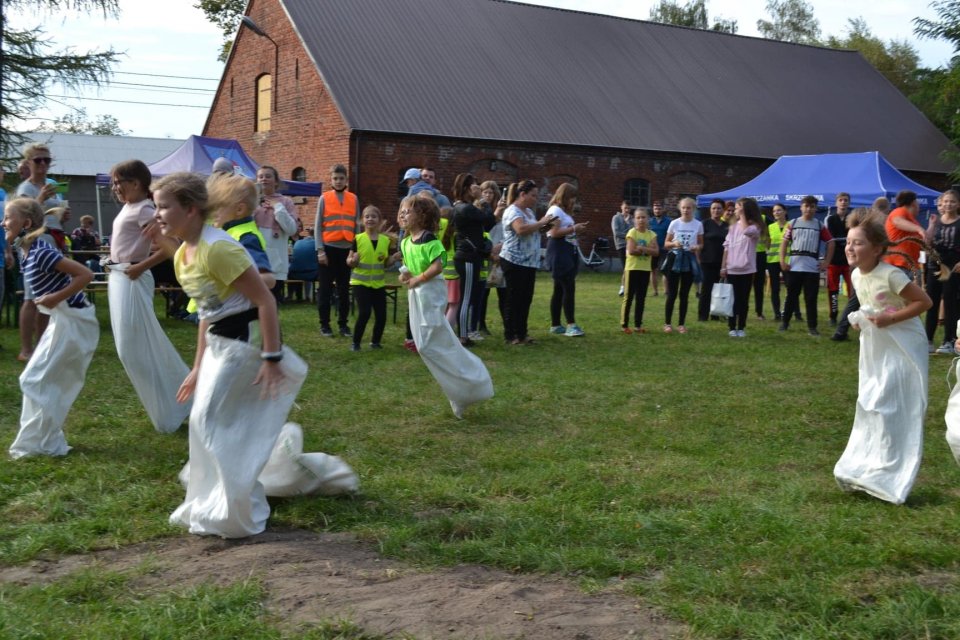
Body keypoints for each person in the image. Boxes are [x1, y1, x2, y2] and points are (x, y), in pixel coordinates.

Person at [154, 172, 357, 538]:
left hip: (241, 345)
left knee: (212, 422)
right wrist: (197, 366)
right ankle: (218, 495)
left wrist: (270, 356)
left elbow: (265, 300)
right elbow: (206, 312)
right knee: (205, 423)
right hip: (218, 345)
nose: (158, 215)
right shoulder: (185, 253)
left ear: (189, 209)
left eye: (163, 207)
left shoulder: (220, 248)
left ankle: (239, 506)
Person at [833, 209, 931, 505]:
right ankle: (870, 465)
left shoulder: (891, 274)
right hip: (875, 344)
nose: (851, 248)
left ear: (877, 249)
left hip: (902, 343)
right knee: (872, 402)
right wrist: (860, 318)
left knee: (892, 404)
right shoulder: (854, 274)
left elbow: (923, 302)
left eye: (858, 243)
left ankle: (892, 472)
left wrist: (892, 319)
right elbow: (869, 305)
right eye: (849, 242)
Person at [5, 197, 97, 459]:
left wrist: (56, 297)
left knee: (38, 380)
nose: (3, 222)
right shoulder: (27, 252)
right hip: (62, 319)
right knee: (32, 379)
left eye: (7, 217)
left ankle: (44, 441)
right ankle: (42, 439)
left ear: (26, 223)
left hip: (76, 321)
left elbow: (86, 275)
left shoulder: (42, 251)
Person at [107, 159, 193, 433]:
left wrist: (140, 267)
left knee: (136, 348)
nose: (115, 188)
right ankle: (176, 403)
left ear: (135, 183)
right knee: (132, 349)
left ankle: (183, 399)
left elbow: (171, 246)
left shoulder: (144, 208)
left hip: (131, 278)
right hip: (119, 277)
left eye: (119, 182)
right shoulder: (129, 208)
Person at [399, 194, 493, 418]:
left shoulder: (428, 239)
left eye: (408, 211)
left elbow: (437, 267)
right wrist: (407, 277)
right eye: (401, 210)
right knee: (426, 346)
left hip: (430, 293)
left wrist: (417, 279)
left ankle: (471, 379)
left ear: (422, 216)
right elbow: (411, 267)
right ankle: (458, 392)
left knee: (432, 343)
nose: (402, 214)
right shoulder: (404, 242)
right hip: (416, 293)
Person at [15, 143, 62, 363]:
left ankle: (42, 344)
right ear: (28, 163)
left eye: (47, 160)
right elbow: (21, 217)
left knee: (45, 298)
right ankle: (26, 349)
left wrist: (62, 214)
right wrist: (41, 199)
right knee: (30, 298)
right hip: (34, 244)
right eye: (38, 160)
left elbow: (51, 217)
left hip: (52, 242)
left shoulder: (51, 186)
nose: (43, 164)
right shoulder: (27, 189)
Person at [500, 180, 555, 345]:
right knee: (513, 298)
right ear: (522, 194)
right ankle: (511, 335)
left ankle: (522, 333)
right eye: (533, 195)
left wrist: (547, 225)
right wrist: (541, 222)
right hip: (514, 260)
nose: (535, 199)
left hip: (529, 262)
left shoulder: (529, 212)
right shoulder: (512, 211)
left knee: (526, 299)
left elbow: (534, 229)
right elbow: (521, 229)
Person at [315, 164, 360, 337]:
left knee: (343, 290)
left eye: (341, 178)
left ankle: (343, 324)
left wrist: (354, 250)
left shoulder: (353, 199)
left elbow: (357, 225)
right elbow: (318, 226)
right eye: (335, 178)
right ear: (331, 180)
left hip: (346, 250)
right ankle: (324, 324)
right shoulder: (324, 198)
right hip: (328, 249)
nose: (338, 181)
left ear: (346, 179)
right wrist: (320, 250)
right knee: (325, 289)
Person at [779, 195, 833, 336]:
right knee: (791, 296)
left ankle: (812, 327)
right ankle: (785, 322)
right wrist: (782, 261)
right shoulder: (793, 223)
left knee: (811, 298)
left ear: (815, 209)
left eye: (812, 206)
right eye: (806, 206)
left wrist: (826, 261)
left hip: (812, 268)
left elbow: (831, 242)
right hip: (795, 267)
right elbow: (784, 242)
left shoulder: (819, 225)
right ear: (801, 207)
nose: (809, 209)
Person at [451, 173, 495, 345]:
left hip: (470, 256)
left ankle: (463, 334)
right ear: (467, 189)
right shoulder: (465, 208)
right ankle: (463, 336)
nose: (477, 189)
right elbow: (489, 219)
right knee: (466, 298)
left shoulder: (464, 207)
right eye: (474, 186)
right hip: (467, 257)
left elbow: (487, 223)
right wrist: (483, 200)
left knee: (467, 296)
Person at [347, 205, 394, 350]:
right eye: (367, 216)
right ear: (362, 221)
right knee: (365, 312)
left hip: (378, 283)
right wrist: (352, 261)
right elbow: (349, 261)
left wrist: (393, 259)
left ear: (379, 221)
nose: (370, 219)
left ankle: (375, 342)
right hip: (360, 282)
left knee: (381, 315)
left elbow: (385, 263)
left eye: (374, 216)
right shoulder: (358, 239)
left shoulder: (385, 241)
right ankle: (356, 343)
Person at [720, 197, 767, 337]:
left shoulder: (756, 226)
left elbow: (747, 231)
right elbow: (726, 247)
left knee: (743, 299)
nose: (735, 209)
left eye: (738, 206)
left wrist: (743, 215)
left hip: (747, 268)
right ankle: (731, 326)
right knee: (732, 298)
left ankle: (741, 327)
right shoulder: (733, 226)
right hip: (732, 267)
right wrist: (723, 266)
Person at [545, 183, 587, 337]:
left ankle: (556, 324)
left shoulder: (564, 213)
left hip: (567, 250)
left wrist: (574, 230)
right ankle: (571, 324)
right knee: (568, 288)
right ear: (565, 196)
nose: (573, 202)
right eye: (572, 199)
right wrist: (574, 228)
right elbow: (554, 232)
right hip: (559, 251)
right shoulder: (555, 210)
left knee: (559, 289)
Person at [254, 165, 299, 304]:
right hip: (254, 260)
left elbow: (292, 229)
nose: (264, 179)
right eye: (260, 176)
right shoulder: (250, 201)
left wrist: (278, 207)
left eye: (268, 176)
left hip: (276, 264)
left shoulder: (286, 202)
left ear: (276, 181)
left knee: (270, 303)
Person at [924, 190, 960, 354]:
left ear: (958, 204)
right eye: (945, 201)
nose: (948, 204)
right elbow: (927, 242)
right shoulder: (935, 221)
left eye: (952, 201)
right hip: (935, 265)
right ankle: (928, 340)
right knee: (931, 302)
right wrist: (931, 226)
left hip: (953, 266)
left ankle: (949, 341)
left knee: (950, 303)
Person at [662, 197, 703, 334]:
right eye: (684, 207)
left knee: (684, 294)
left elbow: (701, 244)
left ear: (693, 209)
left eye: (689, 208)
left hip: (689, 258)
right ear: (680, 209)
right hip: (675, 258)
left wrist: (696, 247)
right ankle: (667, 323)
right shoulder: (674, 223)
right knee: (672, 293)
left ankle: (681, 324)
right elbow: (666, 244)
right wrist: (674, 244)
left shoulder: (698, 225)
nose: (686, 210)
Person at [621, 207, 658, 333]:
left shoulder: (651, 234)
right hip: (632, 269)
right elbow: (631, 251)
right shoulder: (632, 233)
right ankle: (624, 325)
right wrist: (648, 249)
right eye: (638, 217)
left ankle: (638, 325)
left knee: (641, 298)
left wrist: (642, 248)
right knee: (629, 297)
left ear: (648, 219)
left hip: (645, 269)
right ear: (634, 220)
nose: (641, 220)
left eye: (643, 217)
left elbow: (656, 251)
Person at [477, 180, 506, 335]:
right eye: (485, 192)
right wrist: (489, 252)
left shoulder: (501, 210)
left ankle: (507, 323)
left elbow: (507, 232)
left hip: (501, 252)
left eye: (491, 192)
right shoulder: (479, 211)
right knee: (483, 292)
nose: (488, 195)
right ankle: (480, 323)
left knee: (504, 291)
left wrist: (500, 250)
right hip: (485, 253)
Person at [825, 192, 853, 327]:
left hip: (849, 261)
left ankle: (852, 316)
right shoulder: (830, 219)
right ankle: (833, 316)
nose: (843, 202)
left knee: (852, 291)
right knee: (833, 290)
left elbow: (851, 238)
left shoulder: (852, 219)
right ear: (836, 202)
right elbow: (832, 239)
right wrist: (845, 240)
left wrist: (844, 240)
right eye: (841, 200)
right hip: (834, 261)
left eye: (846, 200)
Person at [698, 199, 728, 322]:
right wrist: (698, 259)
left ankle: (715, 314)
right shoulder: (704, 224)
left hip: (721, 262)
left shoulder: (727, 226)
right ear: (710, 210)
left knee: (718, 289)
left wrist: (725, 265)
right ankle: (703, 315)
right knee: (706, 289)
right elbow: (699, 242)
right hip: (707, 261)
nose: (716, 210)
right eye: (713, 208)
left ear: (723, 210)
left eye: (719, 208)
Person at [766, 204, 788, 321]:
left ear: (785, 211)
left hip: (787, 261)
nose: (776, 213)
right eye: (774, 211)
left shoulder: (790, 226)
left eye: (779, 210)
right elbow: (767, 243)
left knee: (791, 288)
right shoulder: (770, 227)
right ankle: (777, 313)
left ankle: (795, 312)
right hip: (773, 261)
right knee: (775, 288)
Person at [648, 201, 670, 296]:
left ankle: (666, 291)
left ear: (663, 209)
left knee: (665, 270)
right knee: (653, 270)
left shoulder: (668, 221)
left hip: (665, 249)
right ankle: (655, 291)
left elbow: (671, 234)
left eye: (659, 208)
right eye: (655, 208)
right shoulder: (649, 222)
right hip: (653, 250)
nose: (657, 210)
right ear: (653, 210)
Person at [611, 201, 632, 296]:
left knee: (629, 267)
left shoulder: (631, 219)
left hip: (630, 245)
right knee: (626, 267)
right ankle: (623, 287)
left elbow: (633, 231)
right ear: (621, 207)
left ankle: (626, 287)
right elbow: (617, 233)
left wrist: (628, 223)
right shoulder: (616, 218)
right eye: (625, 208)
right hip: (621, 245)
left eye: (628, 208)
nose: (626, 210)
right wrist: (628, 235)